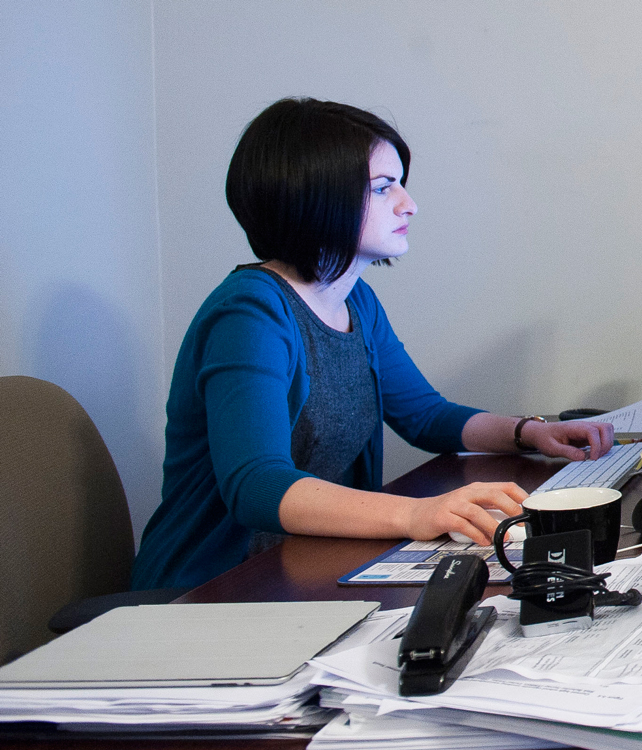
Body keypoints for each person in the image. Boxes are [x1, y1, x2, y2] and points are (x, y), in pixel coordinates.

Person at [133, 98, 614, 590]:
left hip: (307, 570)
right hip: (214, 589)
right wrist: (417, 514)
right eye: (384, 188)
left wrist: (530, 432)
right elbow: (256, 487)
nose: (409, 204)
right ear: (315, 197)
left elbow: (424, 415)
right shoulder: (249, 314)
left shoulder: (354, 299)